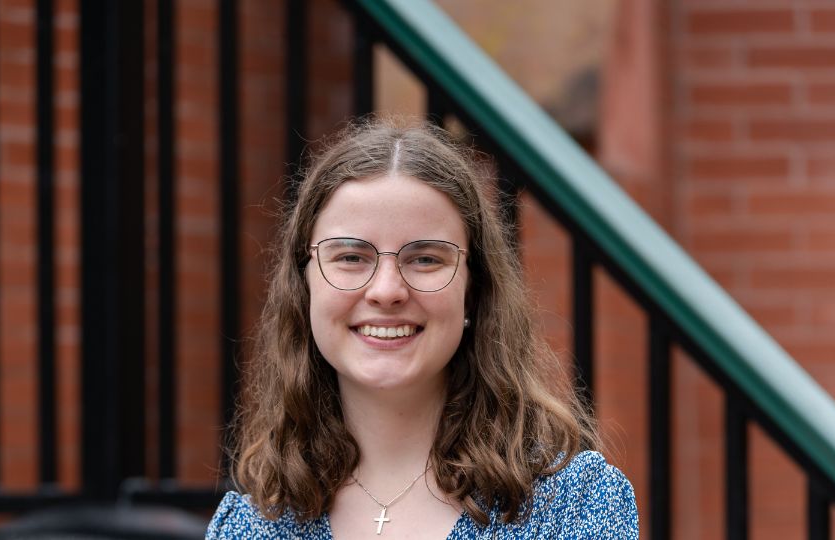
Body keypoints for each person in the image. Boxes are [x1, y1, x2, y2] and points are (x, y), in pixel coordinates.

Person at [206, 118, 638, 539]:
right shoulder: (252, 524)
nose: (387, 290)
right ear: (304, 287)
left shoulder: (573, 505)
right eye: (351, 257)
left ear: (474, 290)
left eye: (426, 258)